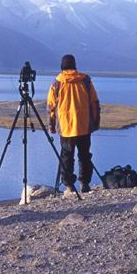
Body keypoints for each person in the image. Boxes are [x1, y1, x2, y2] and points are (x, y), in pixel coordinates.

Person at [47, 54, 100, 193]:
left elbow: (51, 107)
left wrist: (51, 124)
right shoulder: (85, 80)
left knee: (66, 156)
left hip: (65, 127)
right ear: (74, 65)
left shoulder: (57, 82)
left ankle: (69, 185)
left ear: (62, 66)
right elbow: (94, 102)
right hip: (84, 125)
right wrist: (95, 122)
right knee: (84, 155)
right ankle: (84, 183)